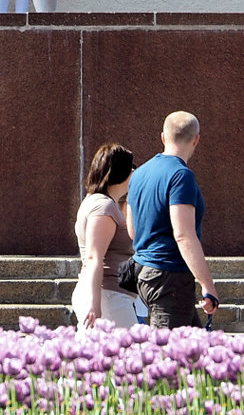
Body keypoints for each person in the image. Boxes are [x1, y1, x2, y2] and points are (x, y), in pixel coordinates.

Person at [126, 112, 220, 329]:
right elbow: (184, 234)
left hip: (144, 272)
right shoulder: (181, 175)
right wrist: (207, 285)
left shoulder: (139, 174)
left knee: (195, 353)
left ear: (163, 137)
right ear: (196, 139)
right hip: (169, 277)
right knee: (167, 356)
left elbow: (132, 229)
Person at [72, 143, 141, 331]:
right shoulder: (104, 206)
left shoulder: (97, 201)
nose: (134, 172)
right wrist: (95, 304)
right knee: (132, 354)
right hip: (108, 297)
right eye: (131, 167)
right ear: (121, 172)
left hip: (107, 294)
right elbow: (95, 257)